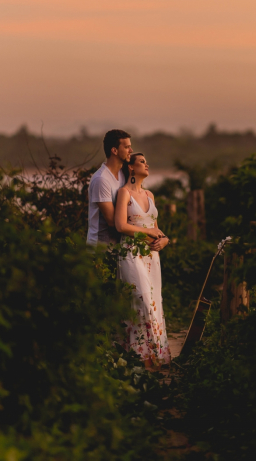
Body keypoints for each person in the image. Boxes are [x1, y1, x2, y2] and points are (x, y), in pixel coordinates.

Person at [114, 152, 171, 368]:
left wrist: (165, 240)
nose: (147, 164)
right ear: (130, 167)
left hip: (151, 256)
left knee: (154, 302)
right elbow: (121, 226)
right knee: (141, 299)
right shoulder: (124, 193)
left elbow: (156, 228)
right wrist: (146, 233)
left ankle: (153, 355)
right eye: (142, 162)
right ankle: (136, 355)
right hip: (131, 252)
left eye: (147, 161)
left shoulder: (150, 195)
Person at [86, 129, 132, 247]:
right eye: (127, 147)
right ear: (114, 150)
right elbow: (112, 221)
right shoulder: (101, 180)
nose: (130, 151)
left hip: (118, 245)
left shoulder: (124, 175)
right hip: (100, 248)